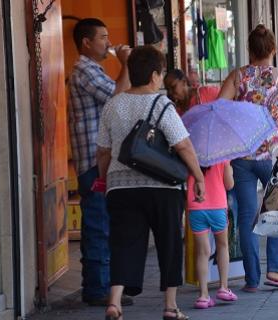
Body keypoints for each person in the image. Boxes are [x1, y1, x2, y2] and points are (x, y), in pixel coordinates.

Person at [96, 46, 205, 320]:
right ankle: (170, 306)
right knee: (169, 243)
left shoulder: (113, 104)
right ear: (155, 75)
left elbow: (103, 151)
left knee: (123, 243)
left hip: (121, 187)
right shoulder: (162, 104)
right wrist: (199, 177)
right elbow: (183, 145)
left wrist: (105, 178)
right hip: (163, 188)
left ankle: (115, 302)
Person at [218, 24, 278, 292]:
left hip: (242, 155)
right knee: (276, 211)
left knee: (247, 216)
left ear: (249, 49)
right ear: (273, 49)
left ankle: (251, 278)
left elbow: (219, 108)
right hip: (274, 155)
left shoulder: (237, 77)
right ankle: (275, 270)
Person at [67, 17, 132, 307]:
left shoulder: (95, 69)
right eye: (103, 37)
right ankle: (96, 289)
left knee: (105, 223)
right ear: (86, 42)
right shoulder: (84, 70)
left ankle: (103, 285)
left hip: (102, 160)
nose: (108, 43)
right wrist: (127, 63)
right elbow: (117, 96)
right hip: (94, 161)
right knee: (97, 225)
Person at [186, 161, 238, 309]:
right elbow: (229, 185)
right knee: (222, 246)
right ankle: (223, 287)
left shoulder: (191, 154)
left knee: (202, 252)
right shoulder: (222, 155)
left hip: (195, 206)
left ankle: (203, 295)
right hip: (217, 206)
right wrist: (230, 171)